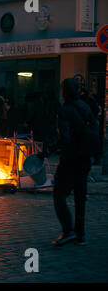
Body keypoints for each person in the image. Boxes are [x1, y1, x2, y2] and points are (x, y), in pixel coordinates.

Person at [40, 78, 97, 246]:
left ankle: (68, 231)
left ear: (64, 92)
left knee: (59, 195)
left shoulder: (65, 110)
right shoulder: (85, 107)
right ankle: (80, 234)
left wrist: (49, 150)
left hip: (70, 158)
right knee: (80, 196)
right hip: (85, 159)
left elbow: (64, 137)